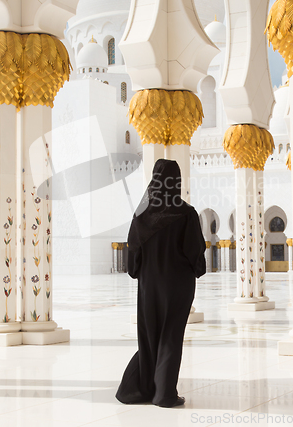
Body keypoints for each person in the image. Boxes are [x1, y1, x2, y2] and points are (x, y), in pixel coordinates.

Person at [116, 159, 206, 408]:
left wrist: (139, 272)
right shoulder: (186, 213)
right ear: (176, 181)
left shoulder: (141, 215)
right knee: (171, 334)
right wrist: (197, 269)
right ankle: (164, 394)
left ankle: (142, 389)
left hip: (149, 286)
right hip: (178, 285)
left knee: (149, 334)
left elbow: (133, 251)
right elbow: (194, 251)